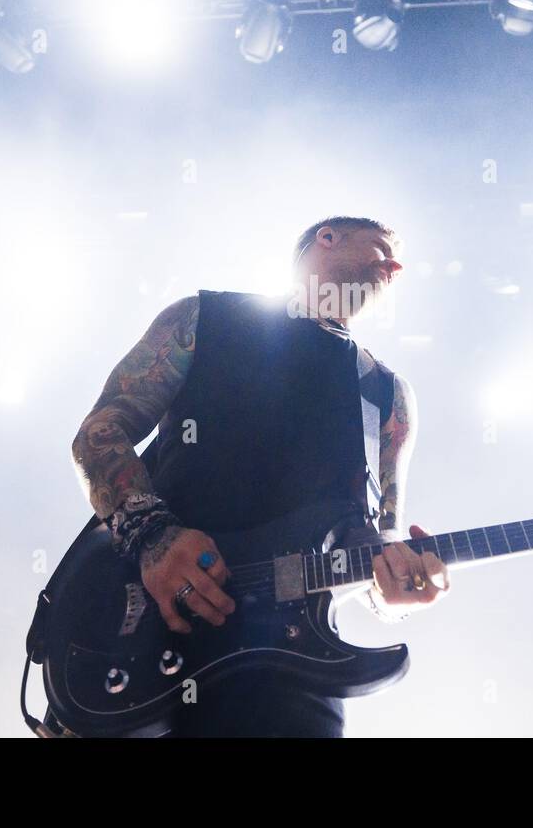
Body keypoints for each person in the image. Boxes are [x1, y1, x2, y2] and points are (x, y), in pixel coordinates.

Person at [70, 216, 449, 736]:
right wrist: (153, 538)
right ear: (326, 238)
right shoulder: (205, 318)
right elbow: (101, 432)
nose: (395, 265)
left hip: (290, 667)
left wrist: (396, 591)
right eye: (381, 248)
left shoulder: (385, 393)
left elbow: (376, 544)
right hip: (144, 632)